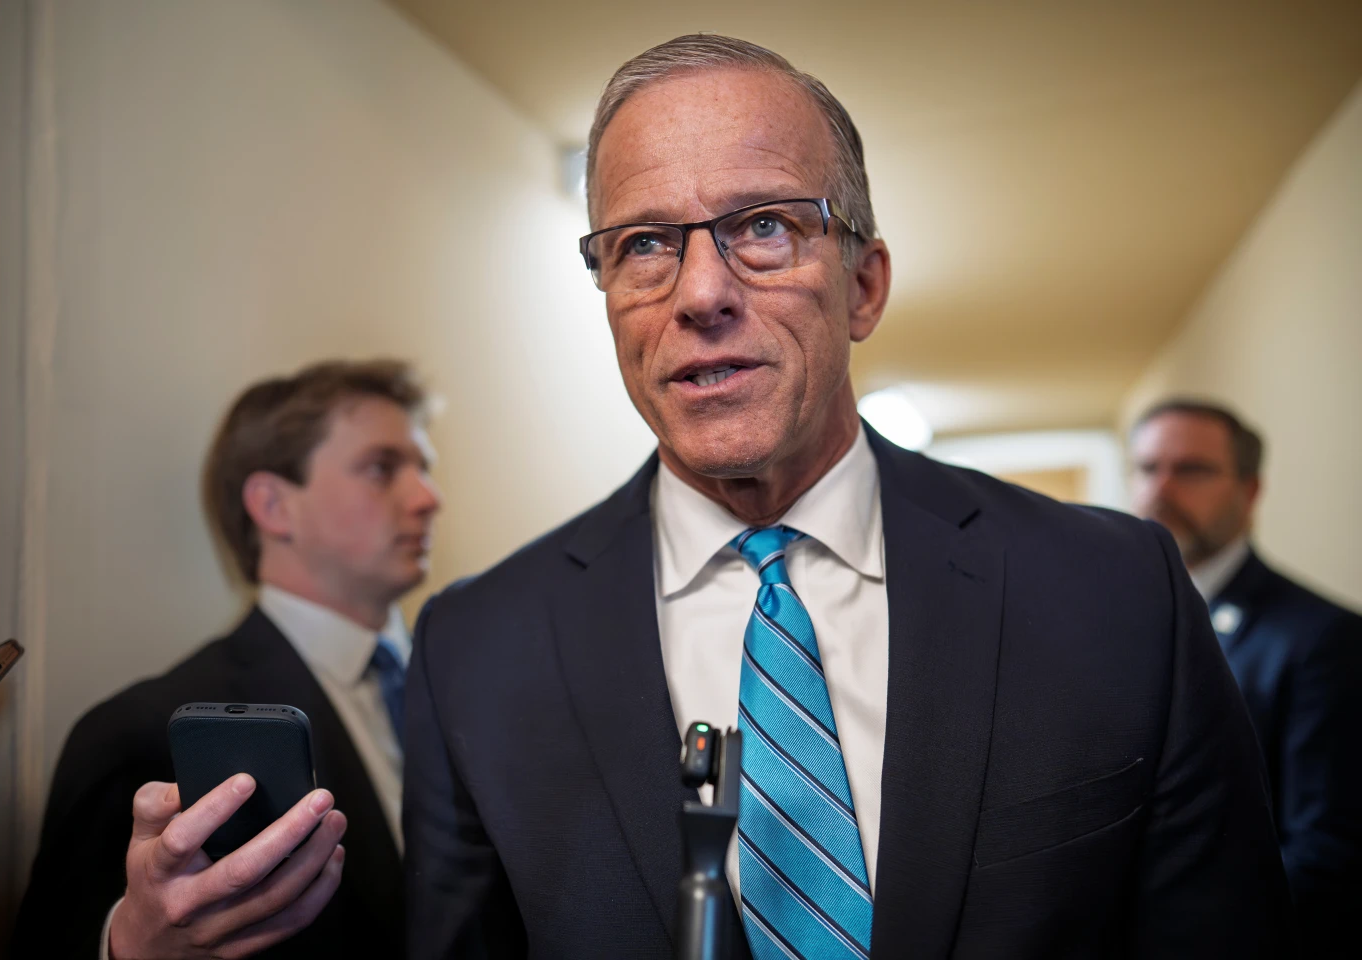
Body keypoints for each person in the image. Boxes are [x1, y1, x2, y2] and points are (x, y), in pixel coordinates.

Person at [401, 35, 1290, 959]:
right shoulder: (475, 653)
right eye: (646, 244)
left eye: (764, 226)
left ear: (863, 287)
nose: (700, 293)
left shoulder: (1116, 592)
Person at [12, 359, 441, 958]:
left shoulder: (470, 689)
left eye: (425, 468)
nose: (428, 498)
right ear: (272, 505)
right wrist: (131, 946)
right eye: (381, 468)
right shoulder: (139, 736)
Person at [1131, 398, 1362, 957]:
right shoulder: (1112, 624)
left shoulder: (1321, 639)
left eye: (1191, 470)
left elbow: (1324, 852)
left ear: (1250, 490)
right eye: (1147, 468)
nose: (1161, 488)